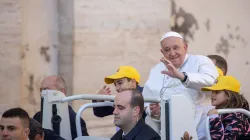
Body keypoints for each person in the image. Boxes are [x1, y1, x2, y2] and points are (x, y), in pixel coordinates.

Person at [142, 31, 218, 134]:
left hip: (195, 119)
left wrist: (182, 76)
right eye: (167, 50)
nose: (172, 53)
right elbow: (146, 100)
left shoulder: (200, 61)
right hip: (162, 123)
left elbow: (212, 81)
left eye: (176, 48)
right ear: (162, 52)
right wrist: (152, 111)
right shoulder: (156, 70)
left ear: (185, 47)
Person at [33, 75, 88, 140]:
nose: (42, 93)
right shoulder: (37, 116)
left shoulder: (75, 120)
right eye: (41, 90)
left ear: (62, 92)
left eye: (45, 89)